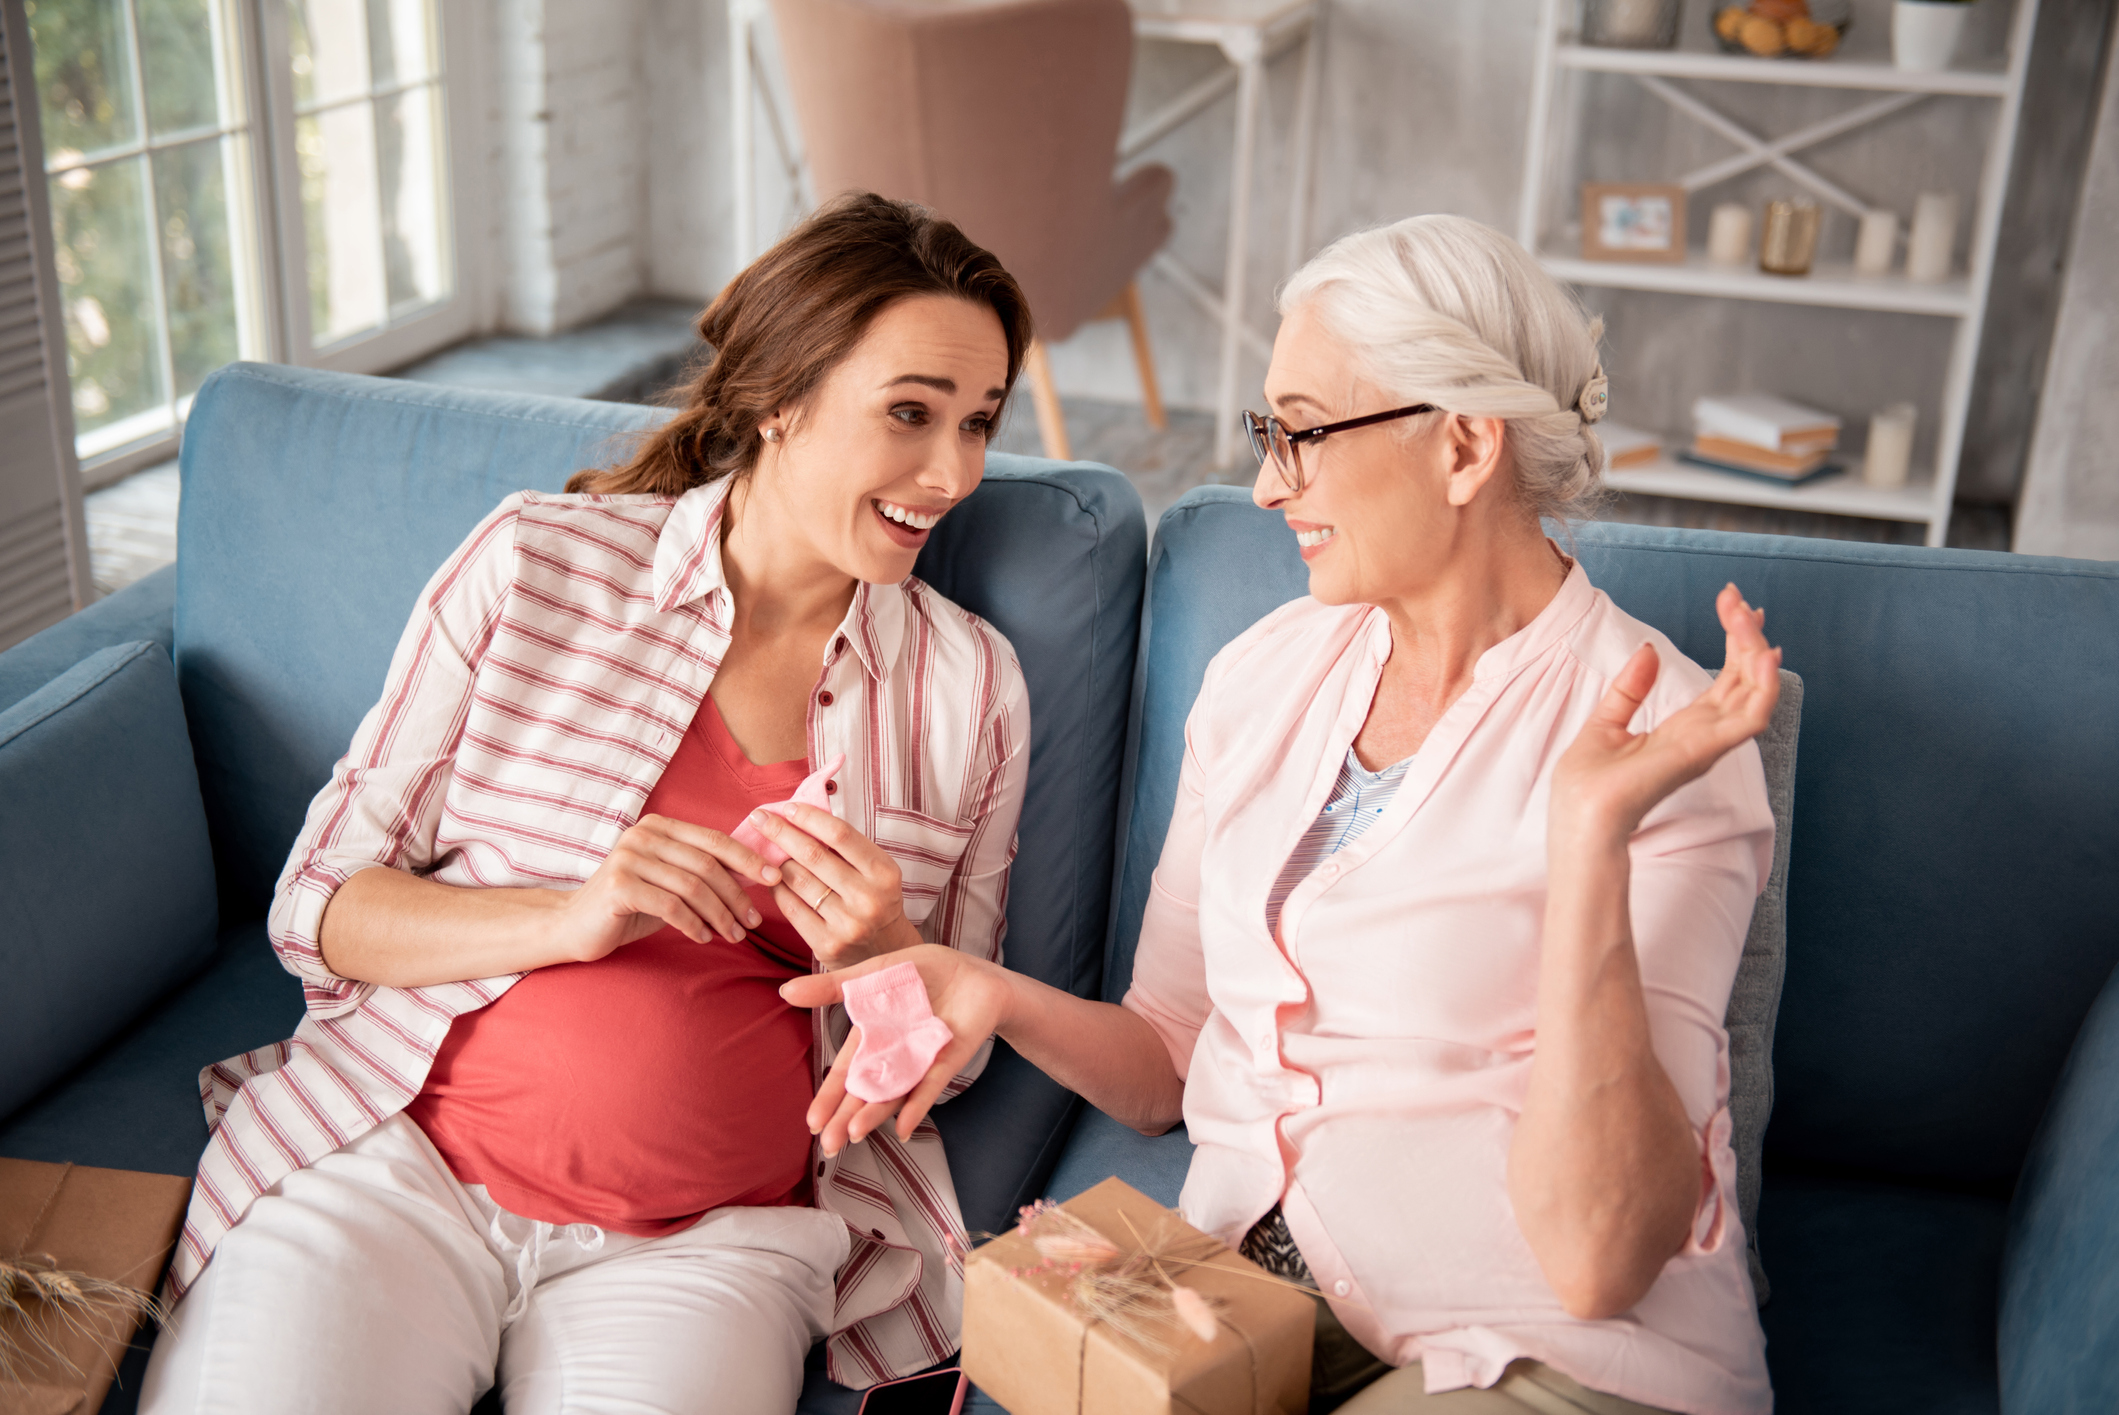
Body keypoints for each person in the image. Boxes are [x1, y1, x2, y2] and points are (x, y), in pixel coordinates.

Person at [789, 214, 1781, 1415]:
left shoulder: (1661, 746)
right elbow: (1168, 1054)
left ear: (1463, 446)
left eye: (1300, 432)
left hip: (1537, 1351)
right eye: (1271, 436)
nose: (1266, 485)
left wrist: (1587, 847)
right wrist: (989, 991)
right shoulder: (1265, 674)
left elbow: (1600, 1259)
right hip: (1245, 1305)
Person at [141, 193, 1034, 1415]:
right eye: (911, 413)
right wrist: (568, 914)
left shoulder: (968, 684)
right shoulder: (535, 562)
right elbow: (320, 906)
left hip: (708, 1248)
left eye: (979, 421)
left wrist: (882, 959)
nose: (954, 472)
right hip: (396, 1170)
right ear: (780, 398)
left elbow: (953, 1056)